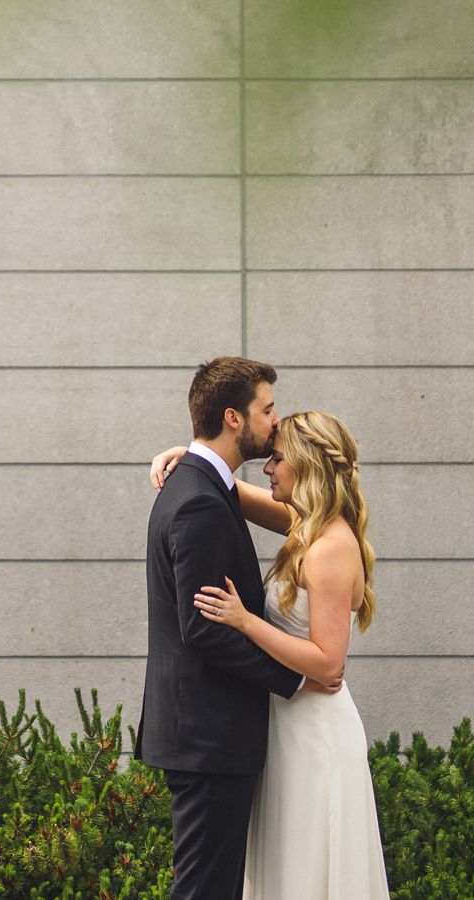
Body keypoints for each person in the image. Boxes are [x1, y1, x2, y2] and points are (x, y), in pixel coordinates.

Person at [139, 358, 333, 900]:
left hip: (206, 735)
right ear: (232, 417)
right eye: (266, 409)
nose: (276, 421)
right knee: (206, 891)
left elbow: (302, 515)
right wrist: (295, 680)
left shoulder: (206, 486)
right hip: (209, 736)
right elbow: (203, 631)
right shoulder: (199, 499)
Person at [178, 411, 390, 900]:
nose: (267, 468)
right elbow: (242, 498)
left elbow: (329, 664)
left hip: (315, 733)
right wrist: (190, 460)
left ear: (307, 466)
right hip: (286, 724)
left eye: (277, 459)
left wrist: (245, 621)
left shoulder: (327, 549)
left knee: (307, 868)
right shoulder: (307, 526)